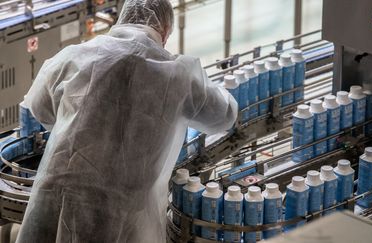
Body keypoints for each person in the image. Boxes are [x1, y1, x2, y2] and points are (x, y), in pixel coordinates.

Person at [16, 0, 238, 242]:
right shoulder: (177, 74)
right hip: (119, 211)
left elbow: (39, 108)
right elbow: (223, 116)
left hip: (56, 191)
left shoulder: (73, 56)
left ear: (121, 19)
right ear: (164, 31)